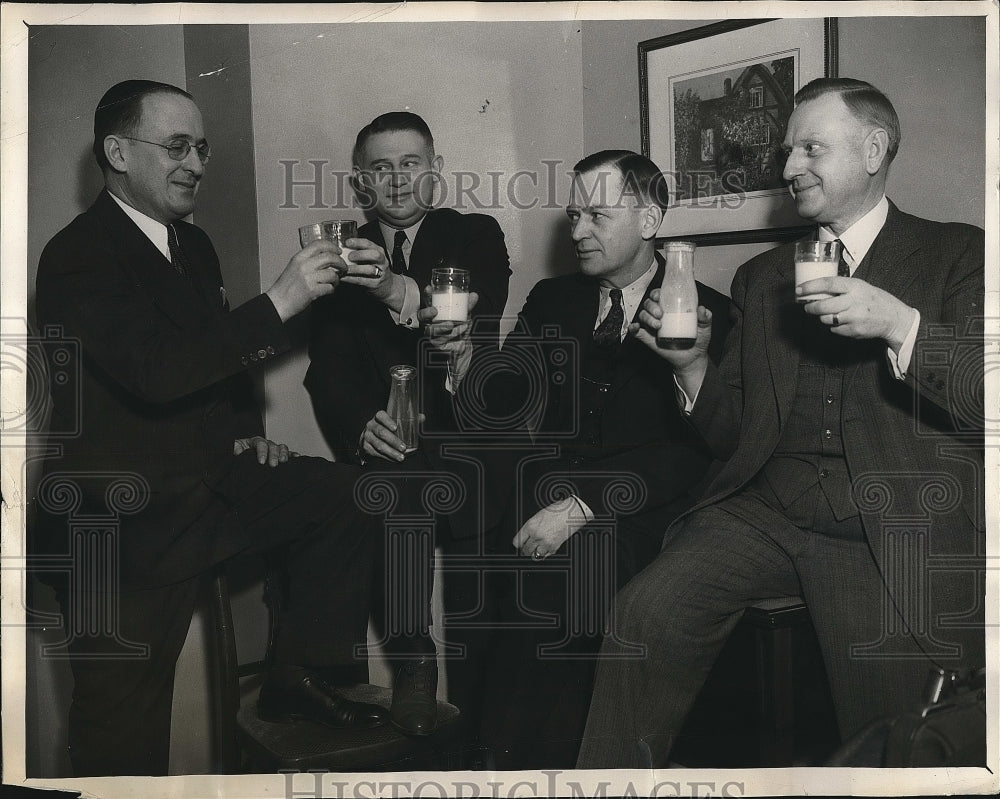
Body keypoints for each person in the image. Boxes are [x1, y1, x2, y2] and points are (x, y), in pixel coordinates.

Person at [577, 78, 986, 768]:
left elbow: (985, 394)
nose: (790, 165)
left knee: (888, 735)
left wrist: (900, 324)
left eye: (811, 148)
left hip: (883, 524)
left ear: (874, 148)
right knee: (644, 614)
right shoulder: (763, 276)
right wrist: (692, 364)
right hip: (765, 512)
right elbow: (732, 431)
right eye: (788, 149)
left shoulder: (957, 253)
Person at [32, 79, 389, 777]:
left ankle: (297, 676)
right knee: (120, 743)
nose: (195, 162)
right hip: (116, 527)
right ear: (117, 152)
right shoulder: (75, 254)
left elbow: (215, 365)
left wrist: (244, 426)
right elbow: (157, 371)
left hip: (202, 486)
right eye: (175, 146)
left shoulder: (192, 246)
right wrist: (281, 299)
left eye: (201, 147)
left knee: (347, 496)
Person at [471, 150, 730, 769]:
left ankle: (539, 768)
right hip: (553, 495)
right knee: (487, 549)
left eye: (597, 215)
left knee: (565, 577)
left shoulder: (707, 311)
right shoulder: (552, 299)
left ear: (649, 219)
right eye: (573, 216)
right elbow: (505, 400)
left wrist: (586, 504)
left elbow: (694, 451)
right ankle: (502, 760)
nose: (579, 232)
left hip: (650, 510)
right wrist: (460, 357)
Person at [305, 111, 511, 737]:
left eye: (411, 164)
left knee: (482, 618)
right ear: (362, 182)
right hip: (390, 454)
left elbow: (476, 321)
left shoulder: (476, 234)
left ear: (436, 171)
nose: (397, 181)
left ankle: (483, 728)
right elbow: (326, 371)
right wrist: (358, 428)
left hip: (469, 447)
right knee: (390, 488)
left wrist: (394, 286)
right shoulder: (338, 250)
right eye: (381, 168)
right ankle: (414, 665)